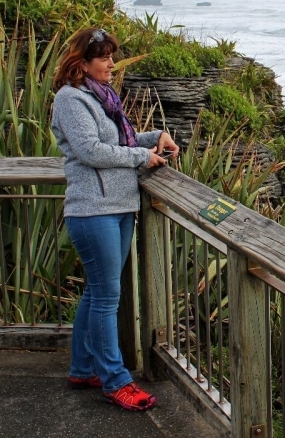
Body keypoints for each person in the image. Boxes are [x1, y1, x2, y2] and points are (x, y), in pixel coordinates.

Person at [51, 28, 178, 411]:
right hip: (93, 210)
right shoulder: (71, 99)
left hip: (119, 206)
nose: (111, 63)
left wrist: (156, 136)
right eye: (103, 57)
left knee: (96, 292)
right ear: (82, 63)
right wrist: (143, 158)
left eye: (112, 55)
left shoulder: (102, 97)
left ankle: (83, 367)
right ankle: (116, 381)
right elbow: (91, 151)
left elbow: (119, 141)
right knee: (107, 297)